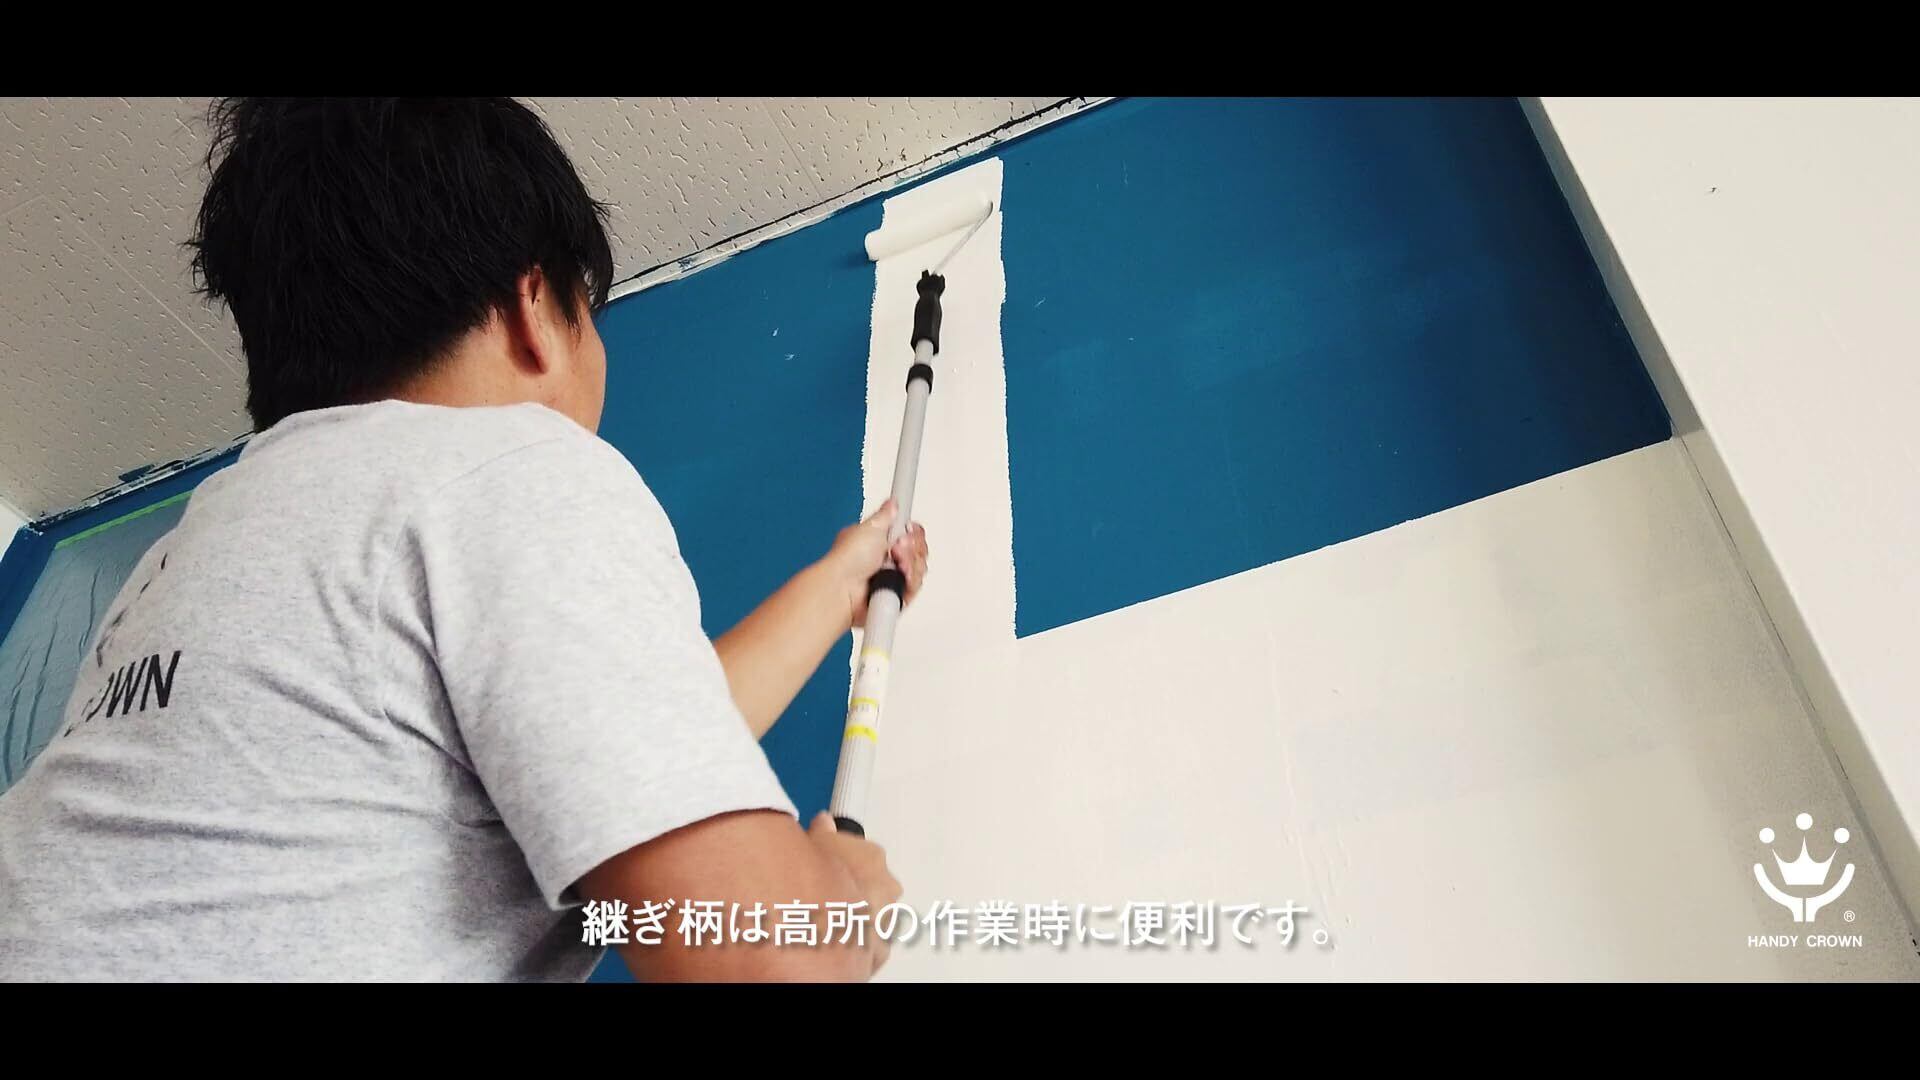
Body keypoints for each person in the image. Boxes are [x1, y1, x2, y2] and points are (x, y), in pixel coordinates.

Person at [0, 97, 924, 982]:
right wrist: (840, 903)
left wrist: (837, 584)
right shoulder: (516, 463)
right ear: (534, 309)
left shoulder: (184, 561)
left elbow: (614, 746)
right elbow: (776, 960)